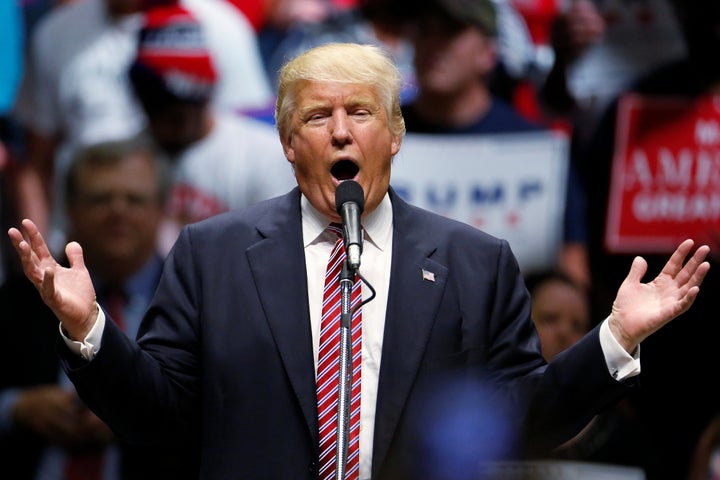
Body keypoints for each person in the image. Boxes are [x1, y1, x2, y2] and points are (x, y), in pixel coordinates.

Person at [7, 42, 711, 480]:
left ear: (396, 135)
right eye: (317, 117)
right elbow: (159, 421)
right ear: (288, 142)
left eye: (362, 113)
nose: (340, 130)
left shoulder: (475, 262)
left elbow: (520, 420)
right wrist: (91, 332)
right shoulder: (212, 255)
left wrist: (614, 340)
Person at [0, 136, 195, 479]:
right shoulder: (21, 297)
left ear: (162, 209)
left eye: (134, 199)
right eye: (99, 199)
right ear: (70, 208)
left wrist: (126, 410)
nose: (117, 211)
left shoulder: (192, 301)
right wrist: (17, 409)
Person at [400, 0, 591, 289]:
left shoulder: (534, 150)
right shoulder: (377, 135)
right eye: (425, 31)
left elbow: (573, 274)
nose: (434, 44)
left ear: (488, 52)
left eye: (451, 32)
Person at [127, 4, 296, 253]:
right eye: (156, 102)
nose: (168, 116)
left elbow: (273, 255)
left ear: (206, 94)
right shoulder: (126, 160)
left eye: (180, 105)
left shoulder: (262, 157)